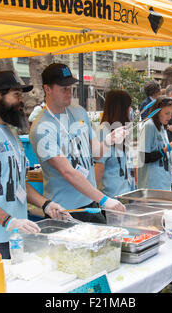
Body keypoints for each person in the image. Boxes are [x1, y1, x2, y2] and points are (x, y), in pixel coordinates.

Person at [0, 71, 68, 260]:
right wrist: (8, 221)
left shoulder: (11, 134)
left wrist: (46, 204)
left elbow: (17, 182)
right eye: (16, 95)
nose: (21, 100)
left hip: (15, 236)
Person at [29, 63, 126, 224]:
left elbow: (95, 153)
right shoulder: (41, 128)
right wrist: (104, 200)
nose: (69, 93)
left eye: (70, 88)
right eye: (63, 89)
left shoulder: (78, 111)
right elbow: (67, 172)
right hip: (64, 210)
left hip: (91, 202)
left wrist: (110, 140)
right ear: (47, 89)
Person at [137, 96, 172, 190]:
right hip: (151, 184)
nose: (170, 117)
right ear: (157, 112)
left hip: (163, 181)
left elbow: (163, 149)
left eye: (171, 113)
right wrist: (166, 148)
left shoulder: (162, 126)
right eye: (167, 113)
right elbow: (144, 157)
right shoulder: (149, 126)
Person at [94, 90, 136, 198]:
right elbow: (98, 166)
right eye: (128, 106)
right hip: (111, 197)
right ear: (121, 109)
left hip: (126, 194)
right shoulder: (103, 131)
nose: (130, 110)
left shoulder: (121, 131)